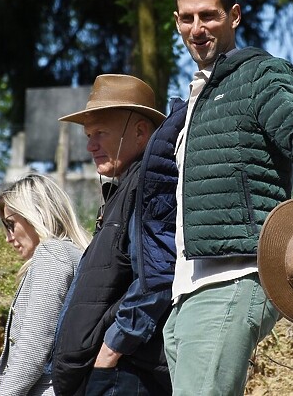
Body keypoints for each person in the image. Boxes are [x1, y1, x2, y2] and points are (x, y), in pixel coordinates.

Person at [163, 0, 293, 395]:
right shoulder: (193, 98)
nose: (197, 28)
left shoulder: (258, 75)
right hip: (187, 290)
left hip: (236, 277)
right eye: (187, 18)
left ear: (235, 16)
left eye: (209, 15)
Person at [52, 74, 184, 396]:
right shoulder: (125, 189)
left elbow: (156, 278)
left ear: (140, 132)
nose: (90, 145)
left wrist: (111, 350)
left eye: (100, 133)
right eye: (87, 135)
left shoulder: (148, 186)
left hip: (124, 375)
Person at [0, 173, 91, 396]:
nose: (8, 238)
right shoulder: (76, 254)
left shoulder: (52, 253)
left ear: (35, 214)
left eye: (11, 224)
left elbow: (33, 345)